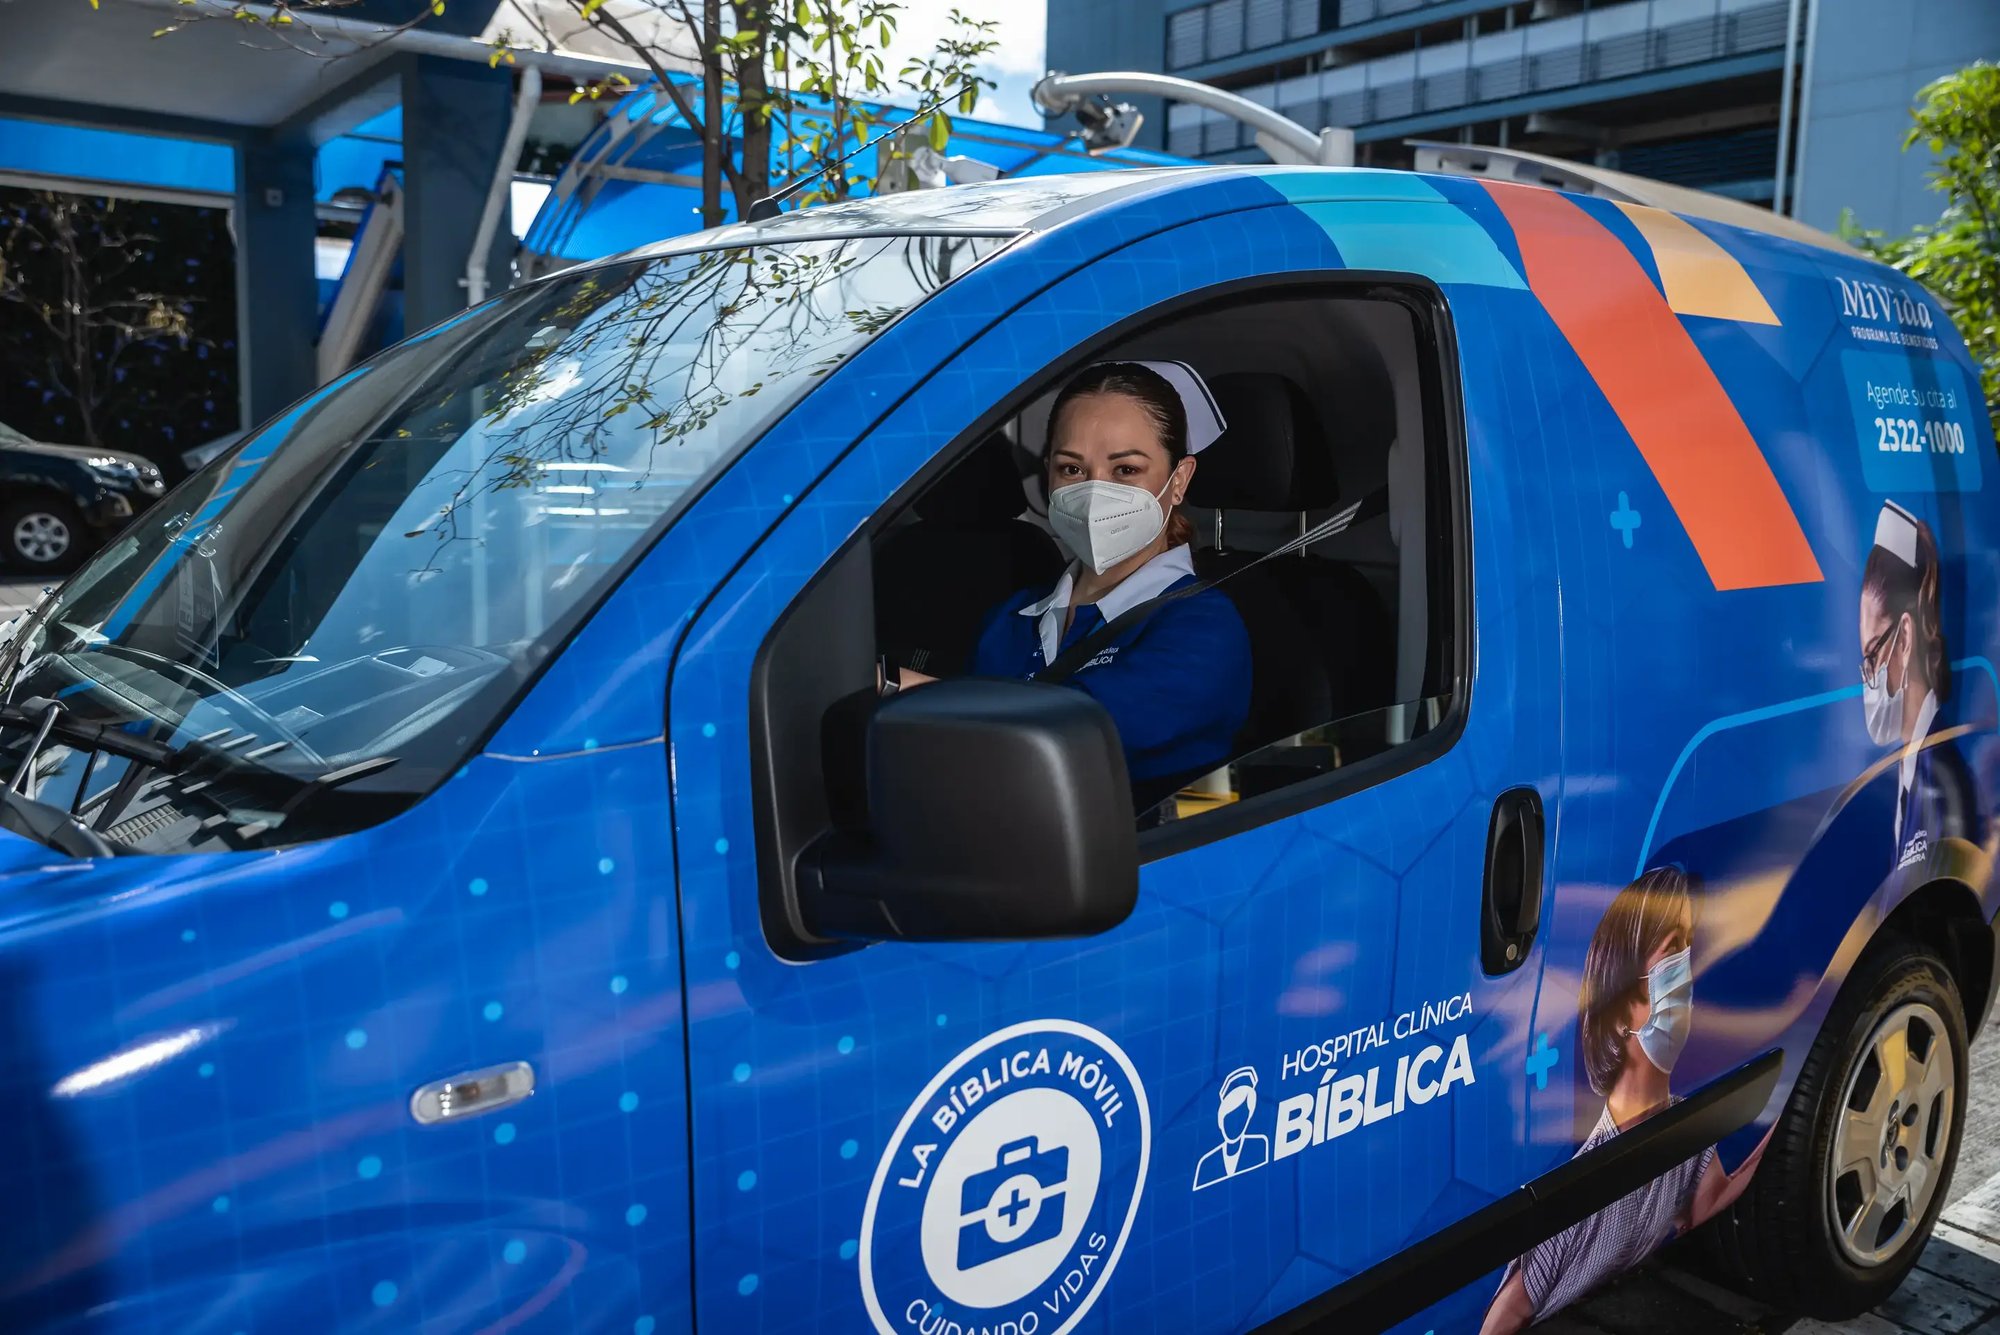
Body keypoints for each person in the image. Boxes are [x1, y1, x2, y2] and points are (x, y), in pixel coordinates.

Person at [882, 360, 1253, 816]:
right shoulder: (1012, 616)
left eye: (1126, 470)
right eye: (1072, 468)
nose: (1095, 493)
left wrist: (893, 686)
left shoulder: (1204, 626)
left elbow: (1070, 731)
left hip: (1150, 855)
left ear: (1178, 480)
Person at [1480, 867, 1771, 1333]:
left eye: (1689, 944)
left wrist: (1786, 1101)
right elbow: (1507, 1313)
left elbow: (1707, 1202)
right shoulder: (1581, 1187)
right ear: (1618, 1011)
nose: (1687, 970)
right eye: (1672, 948)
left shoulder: (1686, 1129)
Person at [1860, 500, 1973, 875]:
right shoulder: (1910, 771)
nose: (1869, 678)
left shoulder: (1939, 780)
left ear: (1905, 638)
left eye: (1872, 654)